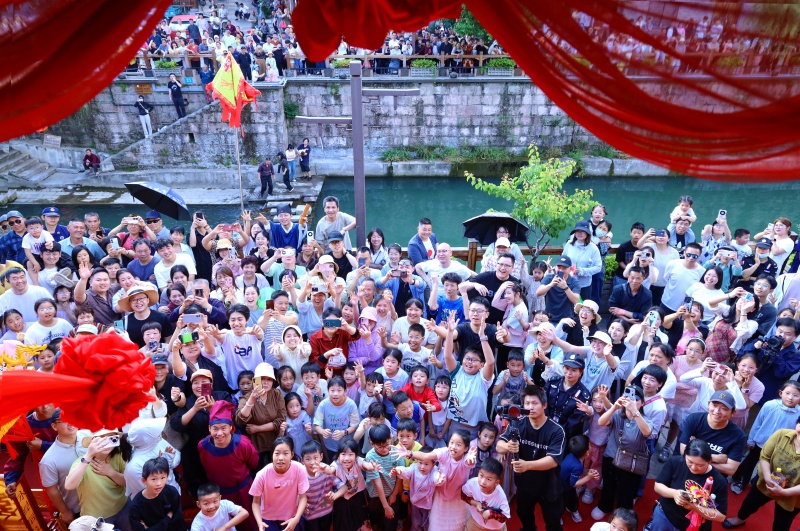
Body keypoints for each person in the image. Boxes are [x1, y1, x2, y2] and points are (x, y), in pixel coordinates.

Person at [496, 384, 565, 531]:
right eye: (527, 403)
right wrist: (508, 446)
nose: (530, 407)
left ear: (544, 405)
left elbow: (553, 460)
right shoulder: (517, 424)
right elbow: (499, 446)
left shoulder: (556, 430)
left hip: (549, 485)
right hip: (524, 484)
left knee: (553, 522)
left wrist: (527, 465)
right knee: (524, 514)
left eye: (535, 403)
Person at [722, 417, 800, 531]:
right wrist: (768, 479)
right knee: (750, 502)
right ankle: (740, 518)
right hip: (767, 481)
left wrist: (783, 492)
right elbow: (764, 457)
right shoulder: (781, 434)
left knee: (783, 521)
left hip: (793, 494)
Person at [652, 439, 728, 531]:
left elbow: (720, 516)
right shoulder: (675, 462)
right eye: (690, 462)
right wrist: (674, 493)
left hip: (692, 527)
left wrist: (695, 507)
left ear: (709, 461)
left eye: (700, 465)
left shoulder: (719, 481)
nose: (694, 467)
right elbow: (658, 486)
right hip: (665, 516)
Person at [64, 429, 131, 531]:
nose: (106, 443)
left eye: (112, 438)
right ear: (92, 442)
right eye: (101, 439)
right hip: (98, 518)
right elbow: (69, 485)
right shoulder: (81, 463)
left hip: (123, 508)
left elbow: (127, 483)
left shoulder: (119, 456)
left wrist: (111, 472)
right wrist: (88, 456)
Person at [678, 390, 747, 476]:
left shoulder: (738, 436)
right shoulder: (693, 419)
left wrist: (696, 458)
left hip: (713, 476)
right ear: (708, 404)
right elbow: (683, 451)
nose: (717, 411)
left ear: (733, 413)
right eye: (714, 405)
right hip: (687, 469)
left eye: (724, 409)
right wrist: (715, 458)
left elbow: (731, 470)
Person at [249, 437, 308, 531]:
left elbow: (303, 497)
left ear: (292, 454)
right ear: (272, 454)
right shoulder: (262, 475)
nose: (280, 458)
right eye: (277, 453)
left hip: (292, 517)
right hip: (269, 520)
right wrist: (260, 522)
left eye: (285, 453)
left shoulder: (299, 469)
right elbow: (256, 502)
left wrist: (296, 518)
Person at [129, 457, 186, 531]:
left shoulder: (172, 492)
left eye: (163, 478)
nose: (159, 483)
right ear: (144, 480)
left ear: (167, 476)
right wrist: (168, 518)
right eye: (154, 479)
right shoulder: (136, 506)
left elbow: (178, 522)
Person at [461, 457, 511, 531]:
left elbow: (505, 517)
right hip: (476, 522)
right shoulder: (472, 484)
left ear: (497, 482)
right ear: (478, 473)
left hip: (495, 528)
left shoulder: (500, 495)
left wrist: (491, 513)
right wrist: (475, 503)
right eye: (481, 476)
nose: (483, 482)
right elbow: (462, 495)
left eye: (488, 479)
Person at [661, 241, 704, 313]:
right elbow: (666, 279)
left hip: (686, 308)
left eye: (695, 256)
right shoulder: (672, 264)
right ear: (684, 253)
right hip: (667, 303)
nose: (691, 258)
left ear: (699, 256)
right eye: (688, 255)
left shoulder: (702, 271)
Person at [536, 255, 582, 321]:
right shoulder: (549, 278)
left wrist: (565, 288)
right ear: (555, 267)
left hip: (567, 319)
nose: (561, 270)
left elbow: (576, 301)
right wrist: (551, 284)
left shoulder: (574, 282)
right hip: (549, 318)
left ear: (570, 269)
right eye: (559, 267)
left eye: (564, 268)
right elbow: (538, 293)